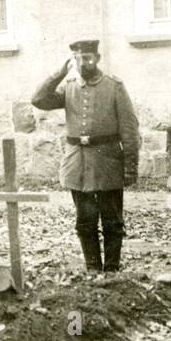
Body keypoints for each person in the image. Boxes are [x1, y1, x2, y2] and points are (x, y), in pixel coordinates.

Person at [32, 39, 141, 273]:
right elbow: (39, 100)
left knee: (112, 220)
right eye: (78, 59)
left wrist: (130, 168)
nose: (84, 63)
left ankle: (111, 269)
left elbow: (130, 130)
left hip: (107, 162)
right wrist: (59, 74)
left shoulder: (114, 86)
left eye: (88, 58)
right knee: (85, 220)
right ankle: (92, 267)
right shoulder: (69, 86)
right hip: (78, 164)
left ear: (97, 58)